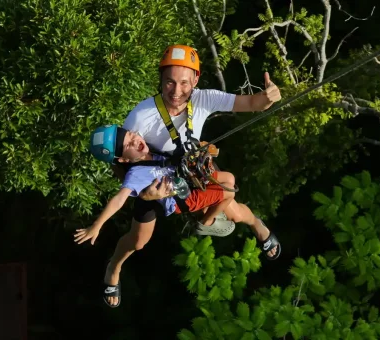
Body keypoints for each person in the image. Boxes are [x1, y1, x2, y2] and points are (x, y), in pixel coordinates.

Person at [101, 44, 282, 307]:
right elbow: (120, 163)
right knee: (138, 242)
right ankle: (113, 269)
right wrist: (145, 194)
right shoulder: (140, 116)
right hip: (153, 181)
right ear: (160, 80)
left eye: (184, 83)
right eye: (169, 82)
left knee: (233, 208)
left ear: (195, 80)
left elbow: (253, 103)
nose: (176, 91)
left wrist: (268, 98)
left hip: (192, 170)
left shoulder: (204, 99)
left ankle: (256, 225)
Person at [75, 124, 239, 307]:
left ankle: (206, 221)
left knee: (229, 184)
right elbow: (119, 199)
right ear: (122, 159)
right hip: (158, 199)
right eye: (128, 145)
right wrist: (97, 225)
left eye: (131, 135)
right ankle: (114, 267)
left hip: (180, 194)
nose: (135, 141)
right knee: (138, 243)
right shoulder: (135, 175)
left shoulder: (154, 144)